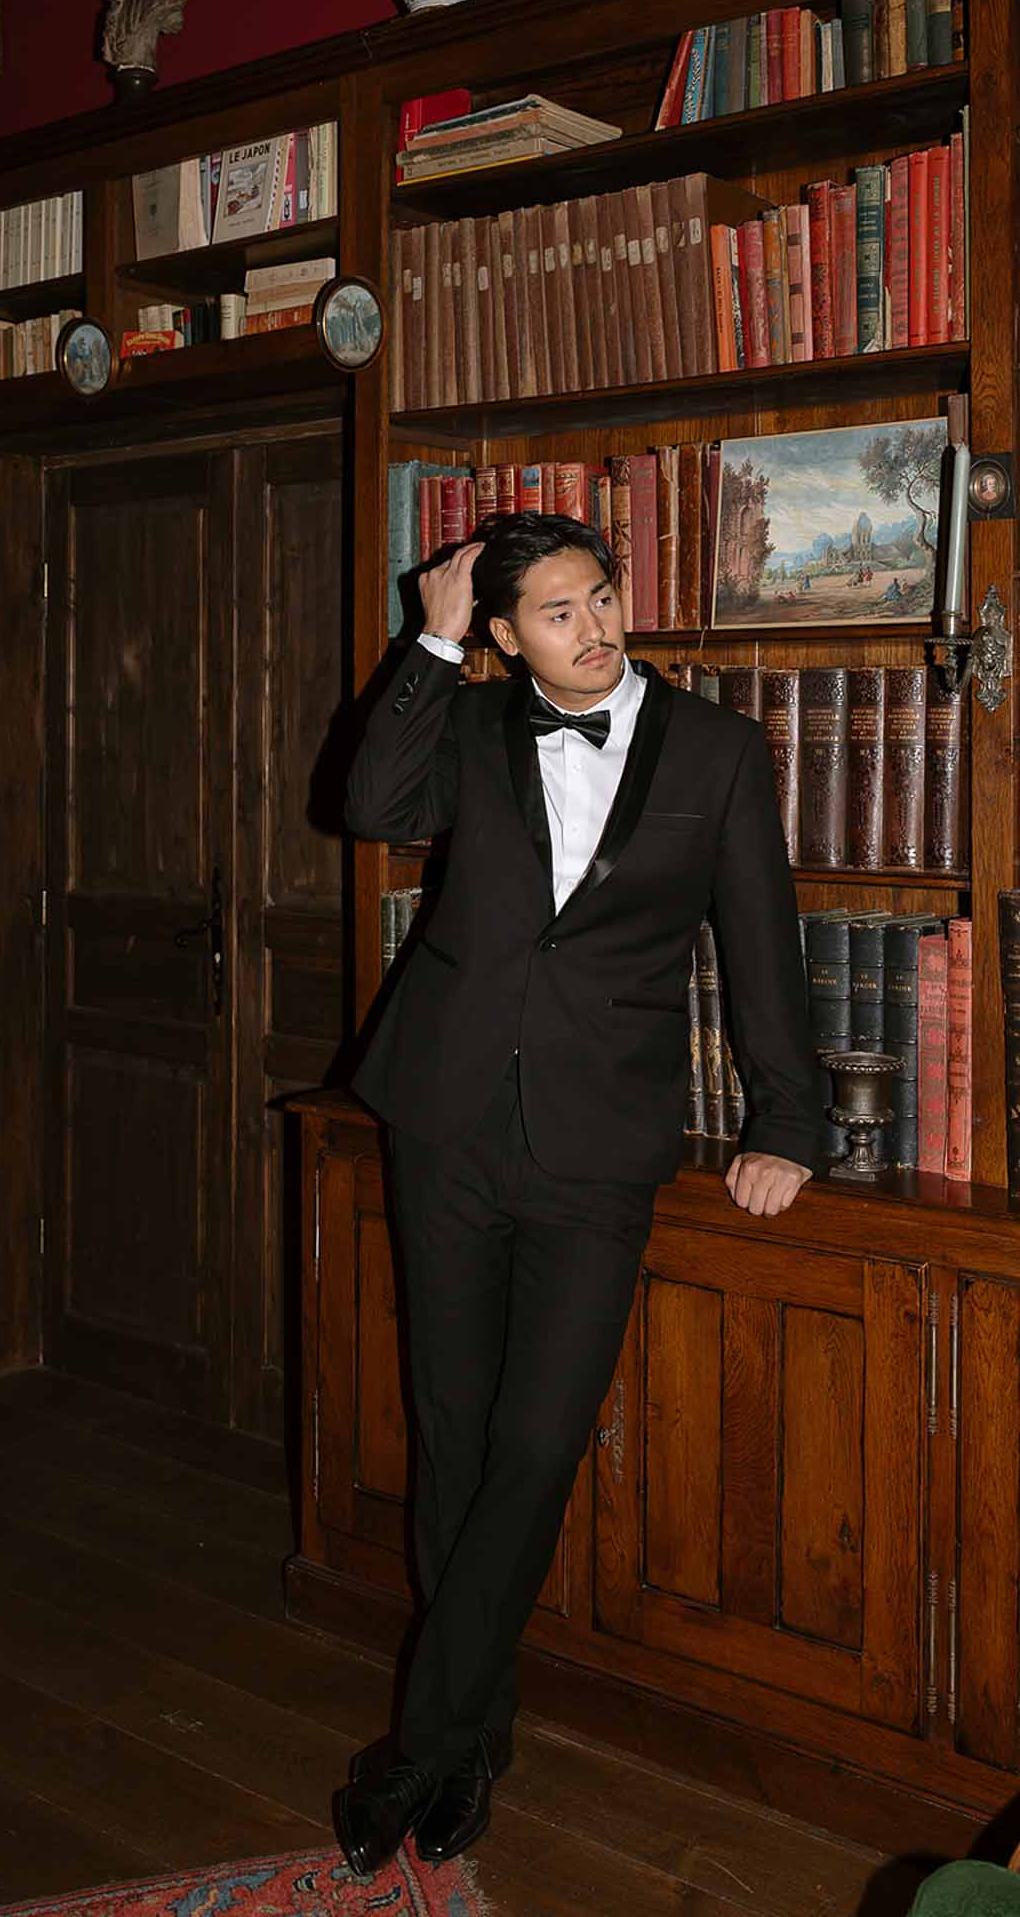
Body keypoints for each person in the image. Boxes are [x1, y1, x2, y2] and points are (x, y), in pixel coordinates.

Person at [336, 511, 821, 1880]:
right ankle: (476, 1738)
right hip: (441, 1123)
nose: (595, 627)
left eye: (599, 596)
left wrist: (784, 1118)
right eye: (555, 611)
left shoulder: (715, 750)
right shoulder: (471, 726)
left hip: (599, 1145)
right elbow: (368, 807)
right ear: (500, 635)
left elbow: (758, 935)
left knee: (539, 1443)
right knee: (453, 1430)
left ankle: (423, 1741)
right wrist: (424, 642)